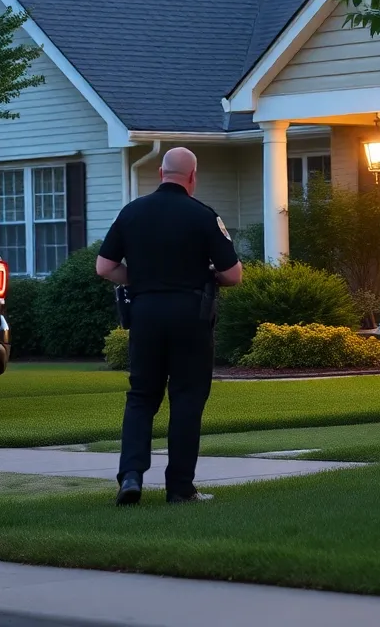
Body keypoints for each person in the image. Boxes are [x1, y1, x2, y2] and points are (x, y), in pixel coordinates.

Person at [95, 147, 243, 505]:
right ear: (192, 177)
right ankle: (179, 487)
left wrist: (142, 280)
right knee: (187, 398)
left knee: (142, 396)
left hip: (144, 313)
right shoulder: (203, 215)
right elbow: (233, 274)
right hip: (190, 316)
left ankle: (130, 476)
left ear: (161, 173)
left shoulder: (132, 212)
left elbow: (104, 267)